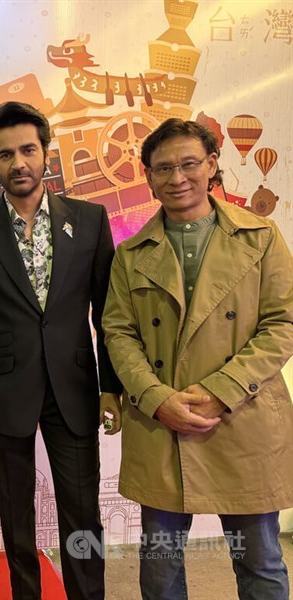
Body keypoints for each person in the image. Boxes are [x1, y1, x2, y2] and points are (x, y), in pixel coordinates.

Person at [103, 118, 293, 599]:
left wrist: (219, 392)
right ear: (147, 175)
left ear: (211, 165)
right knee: (160, 568)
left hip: (242, 418)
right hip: (162, 424)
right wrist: (155, 397)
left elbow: (283, 324)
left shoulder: (262, 236)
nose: (177, 177)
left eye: (189, 164)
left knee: (261, 561)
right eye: (163, 168)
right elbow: (118, 332)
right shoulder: (130, 253)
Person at [0, 101, 121, 600]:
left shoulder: (89, 220)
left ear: (46, 154)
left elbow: (106, 312)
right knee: (15, 516)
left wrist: (111, 386)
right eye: (6, 155)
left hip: (74, 386)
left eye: (27, 150)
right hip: (1, 392)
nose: (18, 163)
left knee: (82, 513)